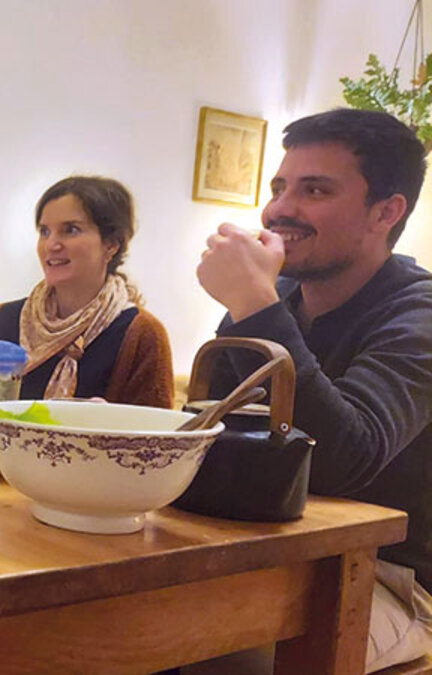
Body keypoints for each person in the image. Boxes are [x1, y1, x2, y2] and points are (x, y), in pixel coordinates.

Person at [197, 108, 432, 673]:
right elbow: (216, 430)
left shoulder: (418, 314)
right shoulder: (278, 302)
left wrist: (253, 304)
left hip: (392, 579)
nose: (280, 209)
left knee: (220, 649)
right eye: (280, 187)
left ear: (387, 211)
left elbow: (342, 461)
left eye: (315, 189)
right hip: (271, 553)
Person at [0, 175, 174, 407]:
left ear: (111, 244)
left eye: (70, 230)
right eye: (44, 231)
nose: (51, 245)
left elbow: (157, 438)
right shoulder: (5, 320)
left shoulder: (142, 334)